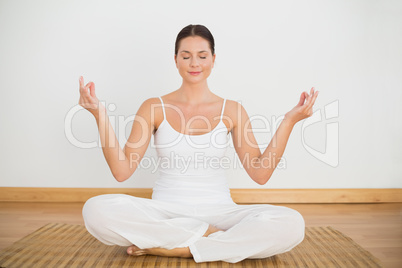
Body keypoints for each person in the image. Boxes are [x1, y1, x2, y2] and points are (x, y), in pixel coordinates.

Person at [78, 24, 319, 263]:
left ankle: (178, 246)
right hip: (165, 212)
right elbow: (122, 171)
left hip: (220, 212)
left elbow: (260, 173)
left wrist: (290, 121)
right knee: (95, 210)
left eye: (202, 56)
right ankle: (210, 239)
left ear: (213, 60)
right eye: (186, 56)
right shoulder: (153, 107)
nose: (195, 63)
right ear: (175, 60)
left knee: (292, 224)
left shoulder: (232, 110)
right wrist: (99, 113)